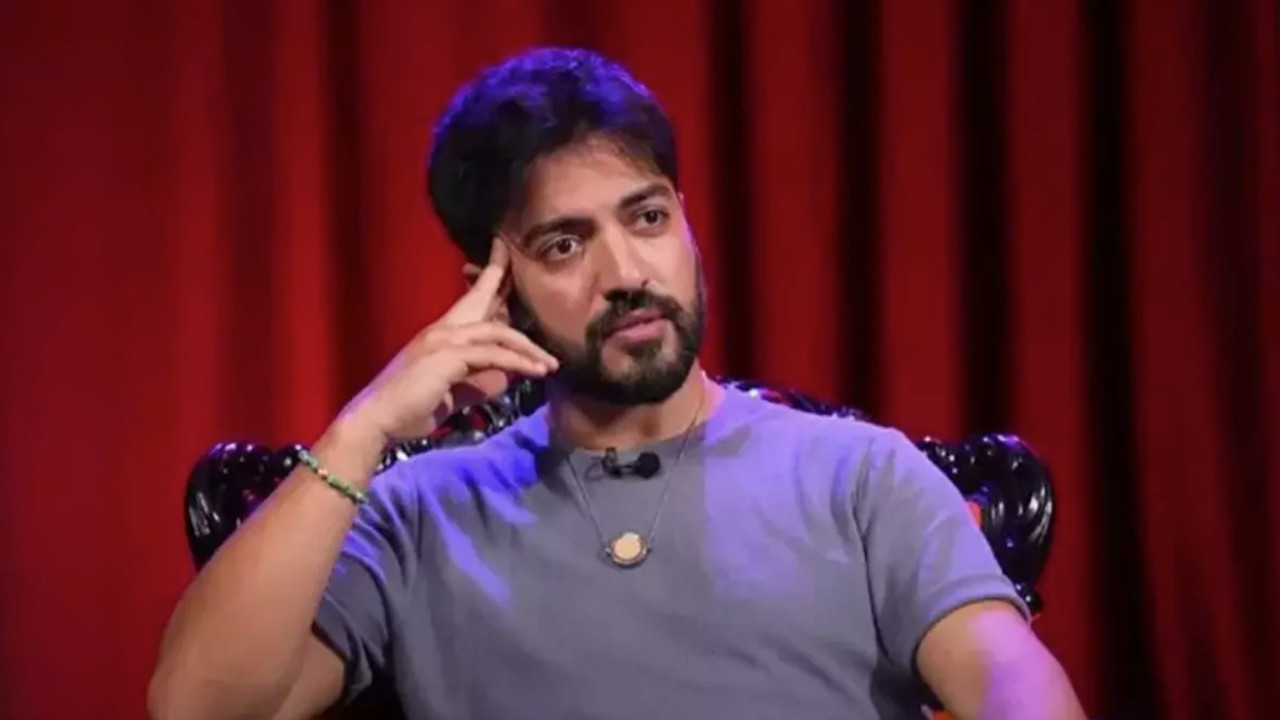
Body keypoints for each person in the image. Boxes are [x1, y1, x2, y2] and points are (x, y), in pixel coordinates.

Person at [148, 47, 1086, 720]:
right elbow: (196, 706)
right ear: (493, 290)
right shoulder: (417, 514)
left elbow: (1008, 681)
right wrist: (361, 431)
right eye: (565, 244)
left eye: (647, 218)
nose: (627, 272)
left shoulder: (860, 476)